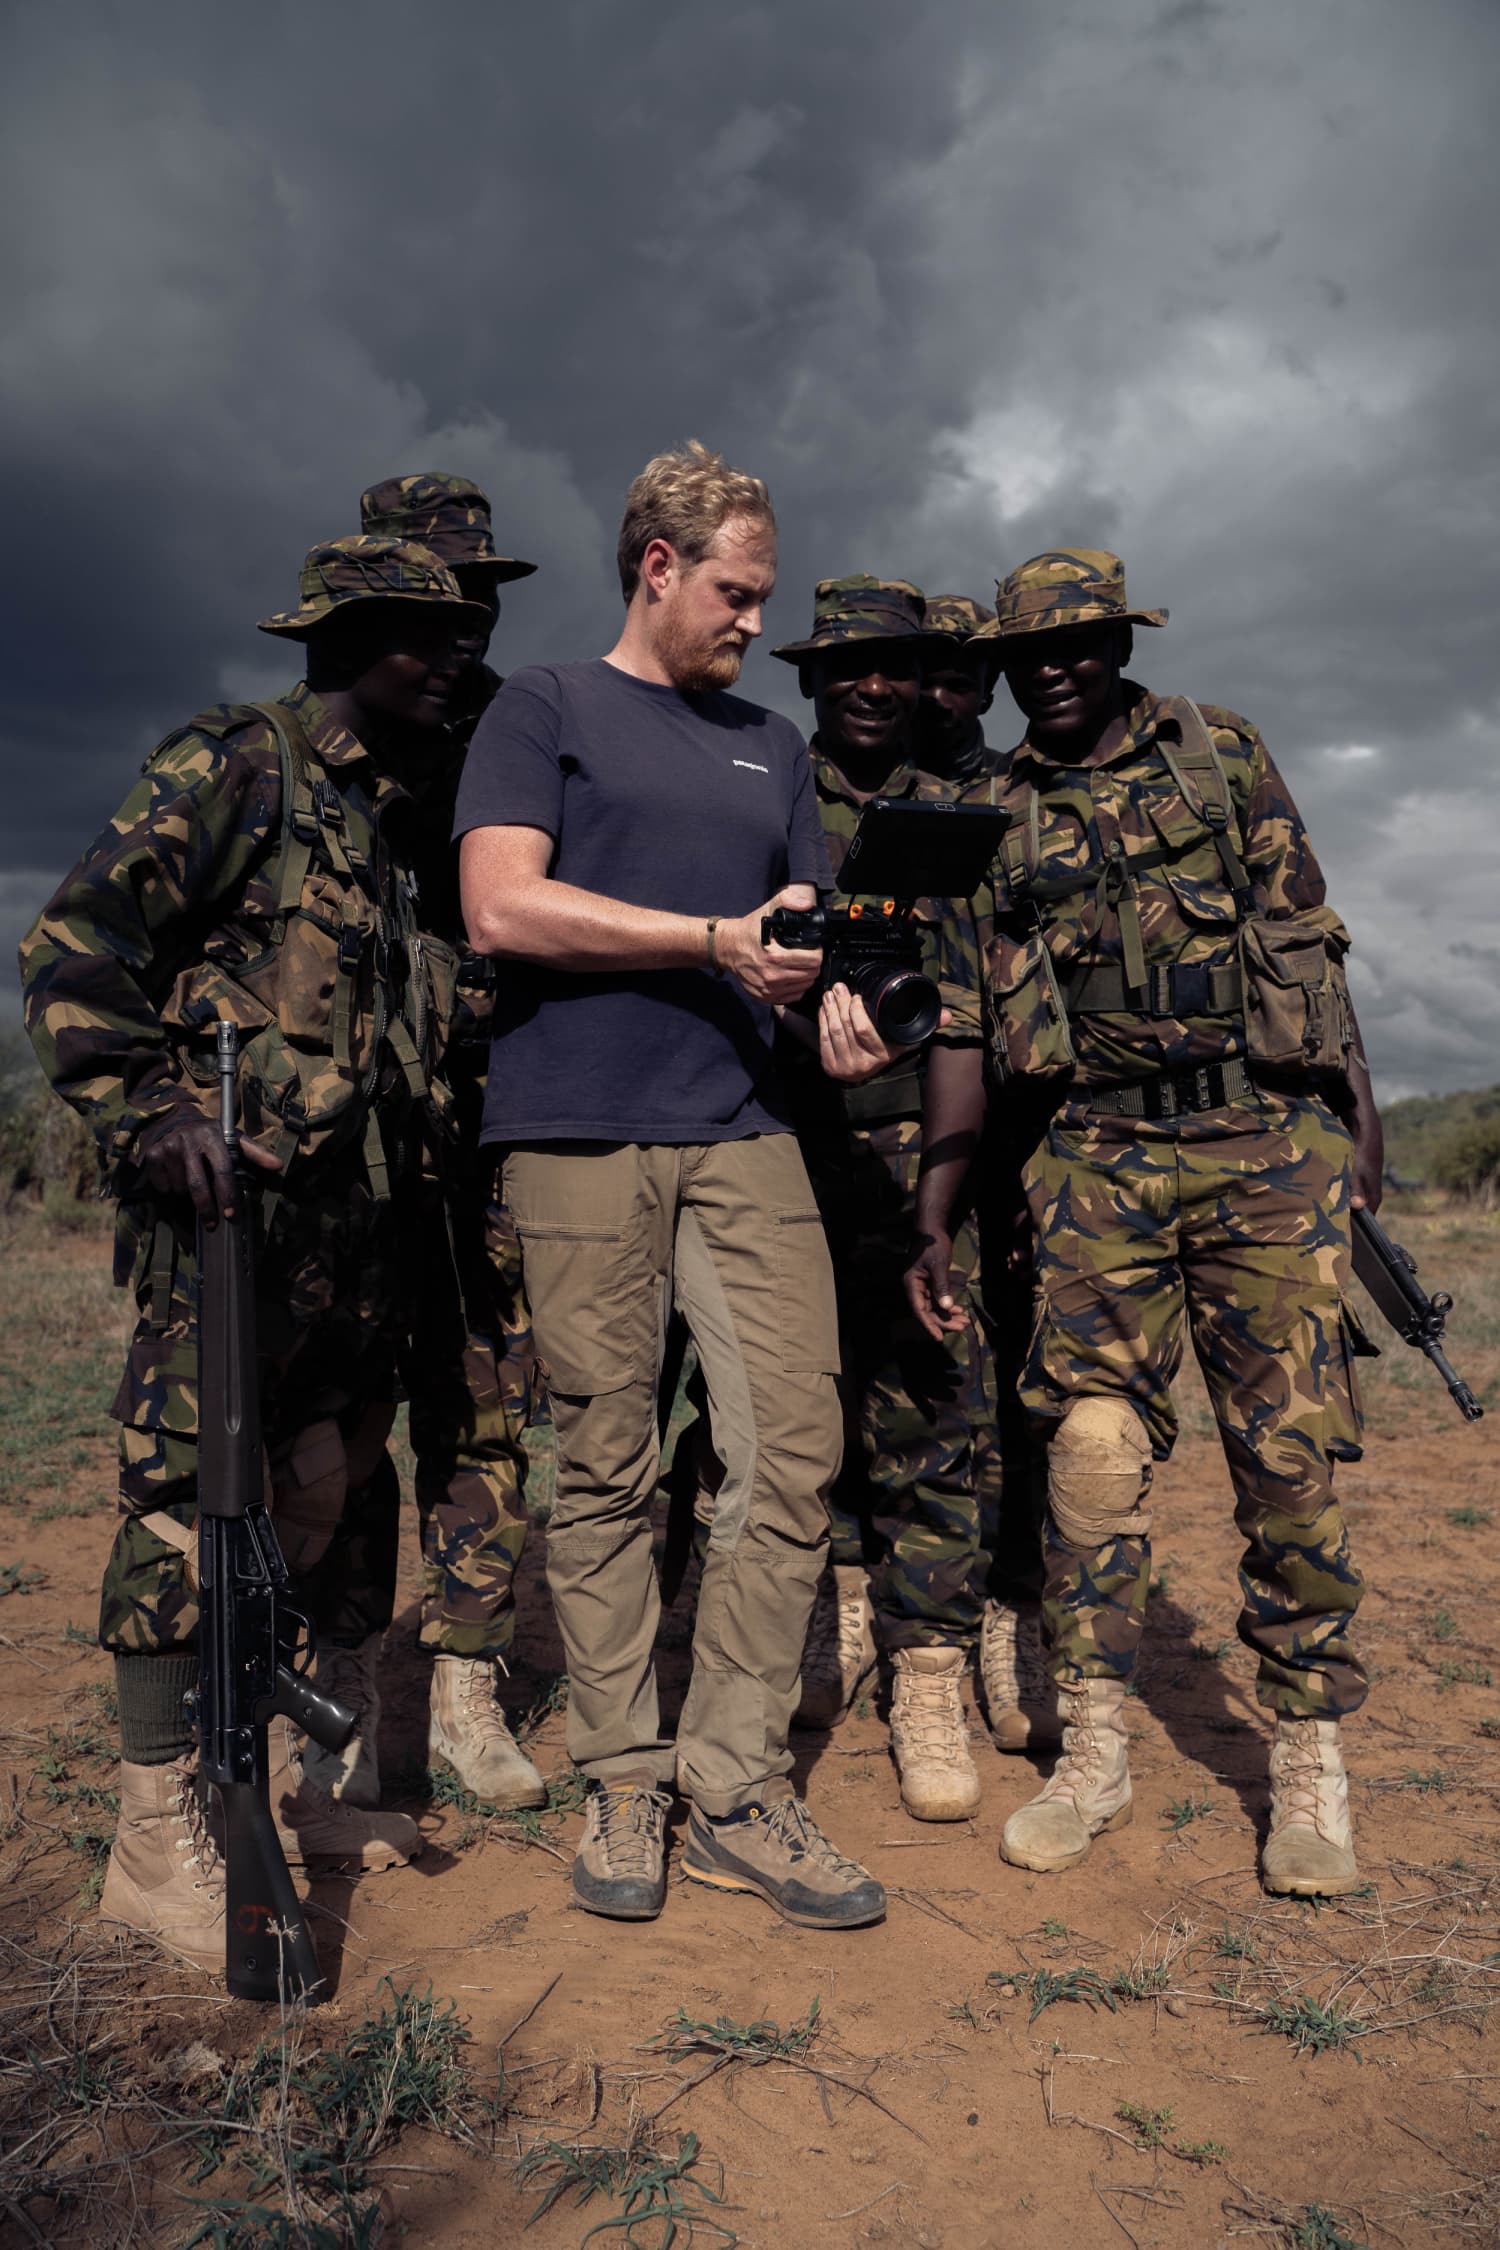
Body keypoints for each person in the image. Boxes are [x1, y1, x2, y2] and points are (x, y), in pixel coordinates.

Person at [17, 534, 489, 1969]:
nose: (457, 653)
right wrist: (150, 1106)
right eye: (425, 633)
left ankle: (292, 1783)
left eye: (464, 630)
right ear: (343, 642)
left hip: (354, 1242)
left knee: (328, 1489)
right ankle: (161, 1821)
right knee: (189, 1502)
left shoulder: (384, 826)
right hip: (234, 1233)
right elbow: (75, 947)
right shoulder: (243, 764)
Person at [454, 441, 890, 1929]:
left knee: (792, 1448)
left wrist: (831, 1014)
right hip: (580, 1129)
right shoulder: (546, 707)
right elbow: (502, 903)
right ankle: (624, 1769)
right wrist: (711, 937)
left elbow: (796, 944)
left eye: (761, 599)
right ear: (658, 564)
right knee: (608, 1456)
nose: (755, 624)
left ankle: (736, 1775)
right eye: (737, 592)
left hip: (746, 1126)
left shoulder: (774, 747)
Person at [907, 548, 1382, 1897]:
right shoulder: (988, 808)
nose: (1055, 665)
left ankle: (1306, 1762)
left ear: (1120, 645)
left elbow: (1311, 943)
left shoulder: (1220, 753)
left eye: (1081, 642)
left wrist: (1360, 1126)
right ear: (1000, 672)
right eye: (1029, 652)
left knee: (1287, 1459)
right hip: (1094, 1155)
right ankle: (1096, 1751)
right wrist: (936, 1209)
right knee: (1095, 1454)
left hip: (1261, 1144)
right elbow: (957, 1017)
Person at [287, 472, 548, 1812]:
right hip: (351, 1154)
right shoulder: (311, 755)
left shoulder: (520, 733)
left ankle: (466, 1693)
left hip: (486, 1135)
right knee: (342, 1420)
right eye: (438, 600)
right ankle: (332, 1691)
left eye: (482, 600)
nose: (465, 628)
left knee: (489, 1411)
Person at [764, 577, 1027, 1824]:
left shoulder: (949, 819)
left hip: (919, 1160)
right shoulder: (759, 788)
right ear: (811, 678)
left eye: (895, 664)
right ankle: (810, 1624)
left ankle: (927, 1680)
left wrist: (937, 1211)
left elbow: (964, 1021)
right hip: (767, 1156)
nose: (873, 683)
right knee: (775, 1421)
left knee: (932, 1409)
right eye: (848, 664)